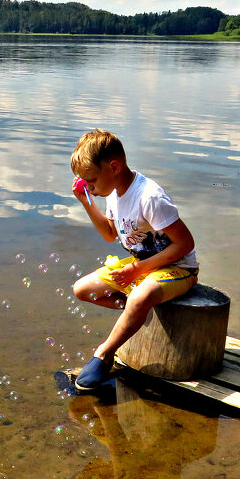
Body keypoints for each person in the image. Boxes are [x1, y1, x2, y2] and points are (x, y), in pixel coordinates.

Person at [69, 129, 199, 391]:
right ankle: (136, 311)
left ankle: (104, 354)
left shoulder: (149, 197)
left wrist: (135, 270)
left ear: (114, 167)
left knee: (140, 297)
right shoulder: (114, 192)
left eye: (91, 181)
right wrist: (86, 201)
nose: (91, 187)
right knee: (81, 290)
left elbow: (185, 244)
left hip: (178, 267)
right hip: (143, 269)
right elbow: (109, 233)